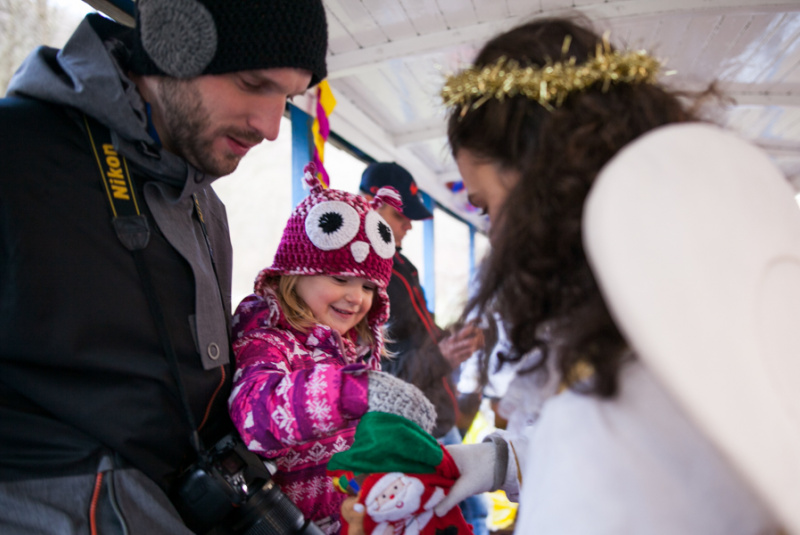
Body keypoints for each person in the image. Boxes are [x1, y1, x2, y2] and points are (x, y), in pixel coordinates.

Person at [344, 15, 784, 534]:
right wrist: (496, 463)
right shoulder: (678, 313)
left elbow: (604, 452)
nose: (493, 236)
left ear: (549, 187)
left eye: (486, 207)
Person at [0, 1, 327, 533]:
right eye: (252, 83)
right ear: (174, 45)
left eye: (286, 99)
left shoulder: (207, 206)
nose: (270, 126)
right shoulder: (16, 150)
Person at [228, 166, 436, 534]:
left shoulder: (347, 351)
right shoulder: (267, 339)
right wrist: (355, 391)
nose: (356, 298)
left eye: (370, 287)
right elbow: (254, 418)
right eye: (340, 278)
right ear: (295, 272)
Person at [359, 162, 488, 533]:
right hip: (415, 427)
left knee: (473, 512)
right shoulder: (366, 276)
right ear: (370, 203)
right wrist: (444, 355)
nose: (409, 225)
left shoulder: (402, 266)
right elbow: (381, 374)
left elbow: (424, 334)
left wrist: (455, 337)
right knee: (464, 516)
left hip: (440, 413)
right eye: (401, 216)